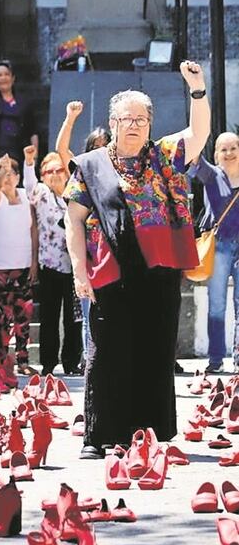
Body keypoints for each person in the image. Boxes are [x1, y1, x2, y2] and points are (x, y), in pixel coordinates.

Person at [65, 61, 209, 458]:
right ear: (112, 122)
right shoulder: (90, 165)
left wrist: (197, 89)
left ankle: (147, 432)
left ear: (149, 124)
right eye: (126, 118)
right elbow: (73, 221)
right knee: (108, 350)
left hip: (159, 271)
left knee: (153, 349)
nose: (134, 125)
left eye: (141, 119)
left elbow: (199, 133)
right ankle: (99, 436)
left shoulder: (164, 155)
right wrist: (79, 271)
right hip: (110, 270)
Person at [56, 101, 110, 370]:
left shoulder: (120, 170)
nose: (99, 151)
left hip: (114, 252)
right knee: (90, 315)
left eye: (104, 145)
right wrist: (70, 118)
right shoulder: (82, 171)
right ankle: (93, 366)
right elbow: (62, 150)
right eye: (94, 147)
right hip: (88, 253)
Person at [23, 144, 82, 376]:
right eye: (49, 171)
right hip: (49, 264)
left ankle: (71, 361)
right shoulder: (41, 193)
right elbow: (28, 185)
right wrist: (29, 161)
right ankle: (48, 362)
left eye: (59, 170)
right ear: (43, 175)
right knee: (49, 317)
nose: (55, 175)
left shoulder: (75, 192)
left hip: (75, 265)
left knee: (73, 318)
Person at [188, 132, 239, 373]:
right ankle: (216, 359)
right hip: (219, 245)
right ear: (216, 154)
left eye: (233, 147)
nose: (229, 153)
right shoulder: (212, 175)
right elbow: (194, 156)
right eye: (223, 149)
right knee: (217, 304)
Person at [0, 154, 39, 375]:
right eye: (3, 173)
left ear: (18, 176)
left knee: (23, 315)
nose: (8, 177)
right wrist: (1, 173)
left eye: (11, 173)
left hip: (23, 265)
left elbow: (33, 229)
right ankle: (2, 360)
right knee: (2, 316)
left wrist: (34, 260)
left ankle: (23, 361)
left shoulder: (26, 197)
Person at [0, 59, 38, 159]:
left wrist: (34, 155)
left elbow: (32, 131)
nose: (3, 78)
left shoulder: (24, 102)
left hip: (19, 152)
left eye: (7, 74)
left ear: (13, 78)